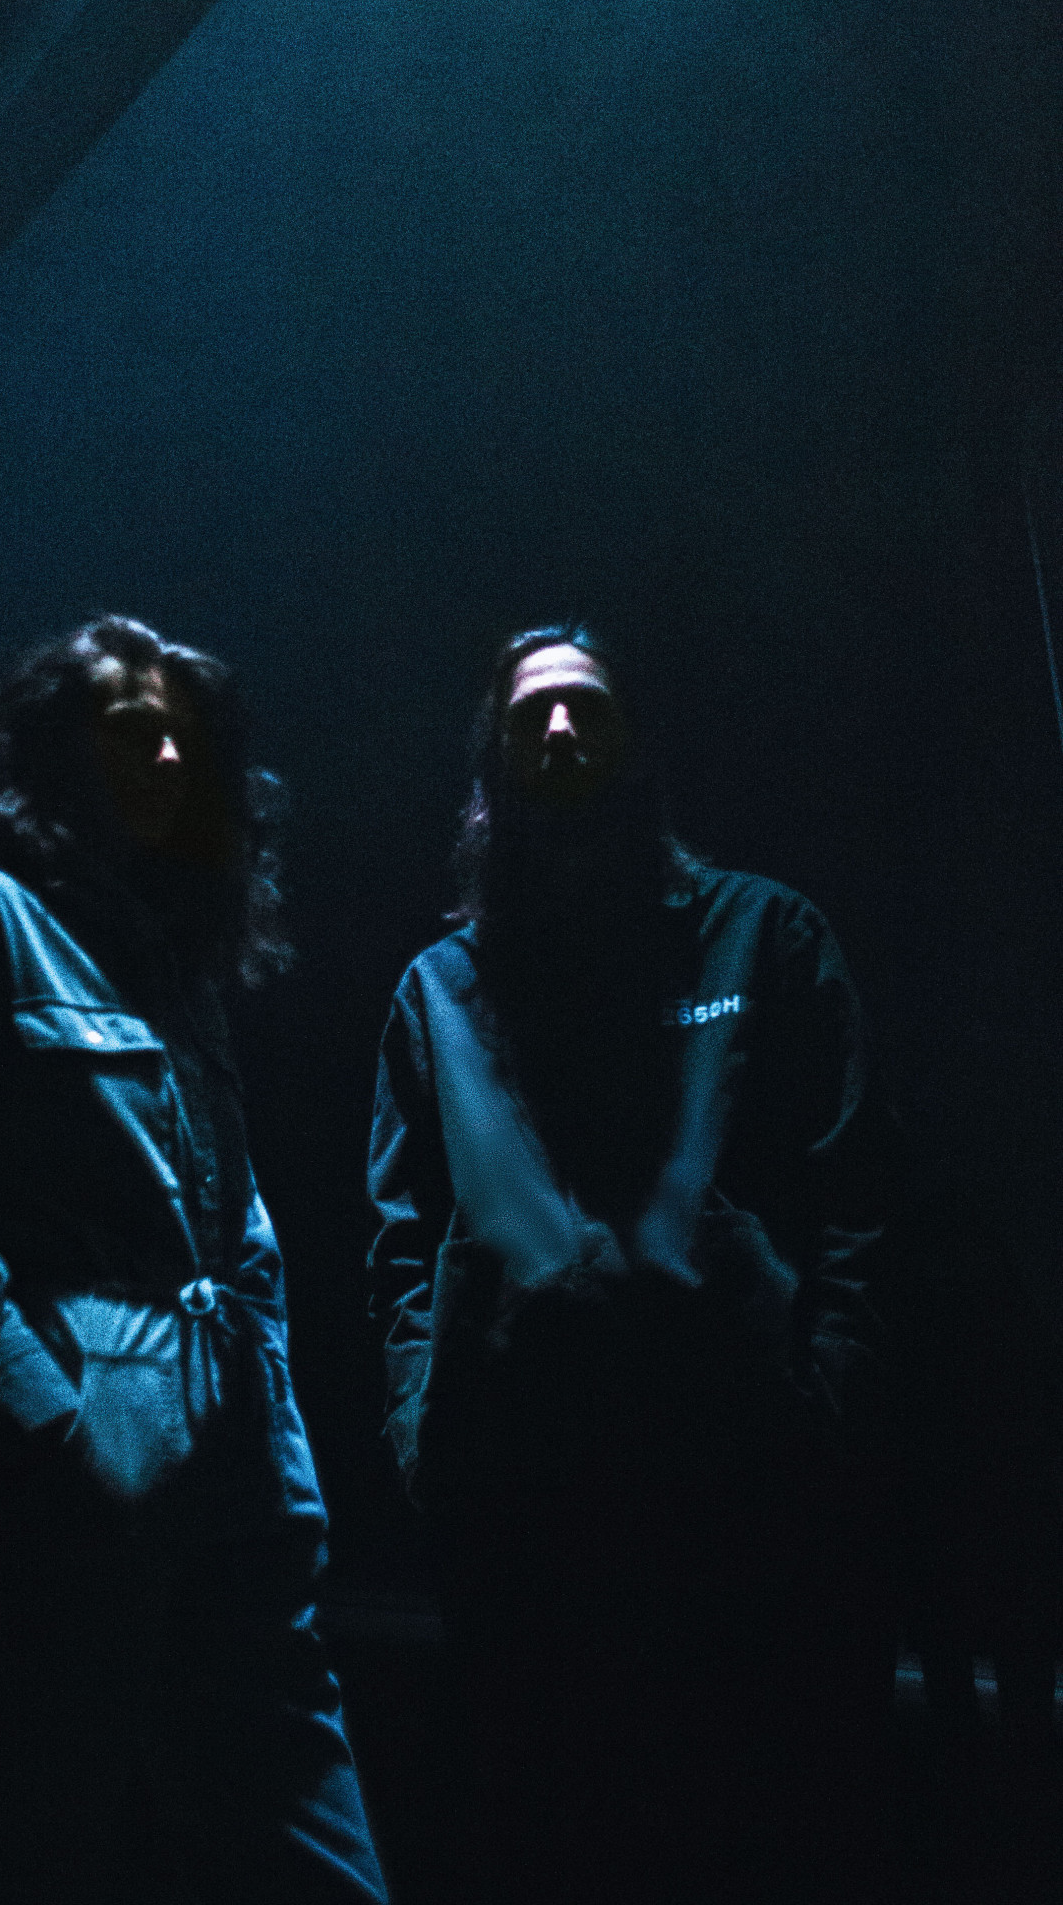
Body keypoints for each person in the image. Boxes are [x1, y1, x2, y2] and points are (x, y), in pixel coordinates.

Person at [367, 625, 900, 1904]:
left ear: (636, 742)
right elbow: (397, 1238)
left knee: (747, 1838)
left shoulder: (764, 936)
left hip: (735, 1495)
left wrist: (822, 1405)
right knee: (553, 1842)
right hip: (526, 1513)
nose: (560, 730)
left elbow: (858, 1196)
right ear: (494, 760)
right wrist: (424, 1433)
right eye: (532, 715)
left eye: (588, 709)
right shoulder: (440, 990)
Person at [0, 615, 388, 1905]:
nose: (165, 756)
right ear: (52, 746)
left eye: (180, 736)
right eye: (130, 729)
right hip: (71, 1498)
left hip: (234, 1484)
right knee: (25, 1840)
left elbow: (241, 1230)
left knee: (303, 1832)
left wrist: (278, 1454)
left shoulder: (174, 964)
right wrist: (65, 1435)